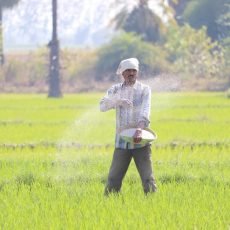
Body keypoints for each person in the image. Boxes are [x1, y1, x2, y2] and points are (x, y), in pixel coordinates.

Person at [100, 57, 157, 195]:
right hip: (122, 142)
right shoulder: (114, 89)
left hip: (141, 142)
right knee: (113, 179)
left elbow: (145, 110)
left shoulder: (144, 89)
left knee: (148, 178)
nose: (131, 73)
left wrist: (139, 129)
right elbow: (102, 106)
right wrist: (117, 101)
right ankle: (109, 205)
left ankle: (153, 204)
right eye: (128, 71)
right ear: (122, 73)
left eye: (134, 70)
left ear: (137, 72)